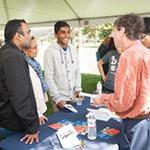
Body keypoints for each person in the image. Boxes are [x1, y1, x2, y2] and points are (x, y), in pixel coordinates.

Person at [93, 14, 150, 150]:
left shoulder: (128, 56)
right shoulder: (145, 52)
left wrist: (102, 98)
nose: (112, 36)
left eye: (114, 31)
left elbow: (123, 102)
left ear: (122, 30)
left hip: (135, 124)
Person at [0, 19, 39, 144]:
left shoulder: (8, 53)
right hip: (13, 124)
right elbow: (19, 95)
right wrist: (31, 126)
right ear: (18, 36)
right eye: (27, 32)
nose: (30, 36)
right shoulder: (12, 56)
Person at [44, 21, 81, 112]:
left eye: (68, 32)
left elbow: (77, 70)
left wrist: (77, 87)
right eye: (62, 32)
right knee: (62, 124)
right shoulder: (50, 52)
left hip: (73, 96)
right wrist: (57, 98)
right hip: (60, 99)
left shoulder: (73, 49)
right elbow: (48, 77)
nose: (66, 35)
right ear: (55, 34)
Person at [23, 37, 48, 125]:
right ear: (25, 51)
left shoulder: (34, 63)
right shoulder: (26, 66)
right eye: (34, 48)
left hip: (39, 109)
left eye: (37, 47)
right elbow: (32, 92)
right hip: (34, 112)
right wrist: (38, 113)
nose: (37, 50)